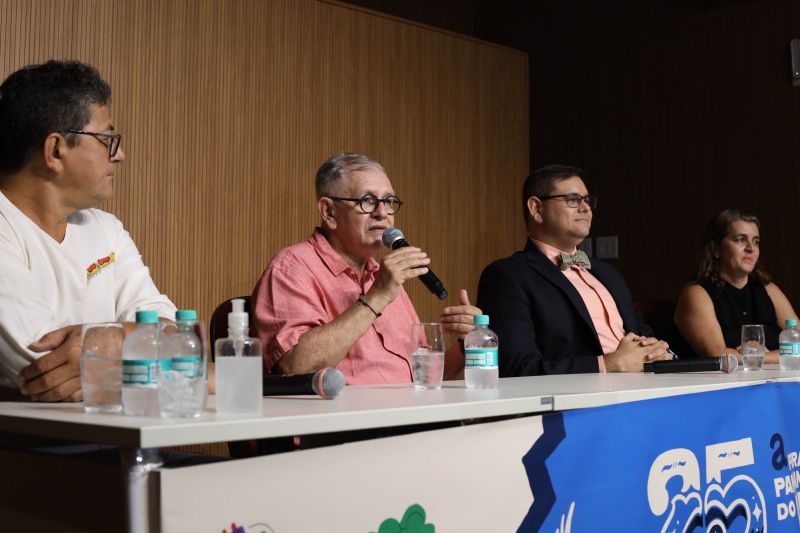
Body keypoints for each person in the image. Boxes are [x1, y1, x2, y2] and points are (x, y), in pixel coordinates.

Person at [0, 60, 176, 402]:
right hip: (28, 446)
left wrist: (113, 342)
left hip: (120, 430)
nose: (120, 155)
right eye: (107, 138)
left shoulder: (105, 227)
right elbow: (46, 370)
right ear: (55, 150)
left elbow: (172, 330)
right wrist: (141, 345)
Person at [251, 153, 480, 384]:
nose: (382, 213)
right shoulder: (291, 270)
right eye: (367, 201)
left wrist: (467, 345)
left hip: (410, 414)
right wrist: (377, 296)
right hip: (347, 419)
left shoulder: (381, 276)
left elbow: (424, 377)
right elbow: (295, 367)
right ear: (329, 212)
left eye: (389, 201)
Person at [477, 164, 671, 376]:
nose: (585, 208)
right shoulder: (507, 275)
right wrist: (609, 364)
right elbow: (516, 367)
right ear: (537, 208)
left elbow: (644, 334)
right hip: (582, 400)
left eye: (587, 200)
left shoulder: (608, 274)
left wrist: (658, 352)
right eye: (572, 199)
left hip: (647, 386)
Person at [674, 209, 797, 363]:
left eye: (756, 241)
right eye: (740, 239)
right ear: (716, 249)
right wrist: (781, 356)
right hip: (723, 384)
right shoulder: (696, 294)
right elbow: (718, 354)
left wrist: (758, 356)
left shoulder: (769, 289)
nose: (750, 248)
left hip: (776, 380)